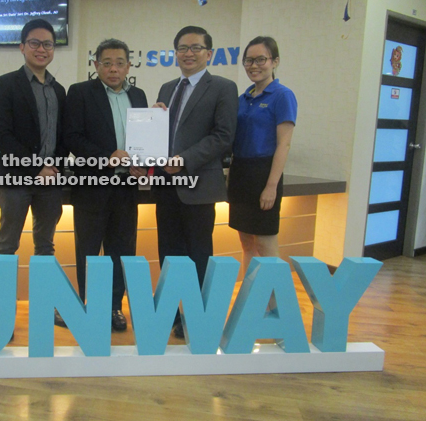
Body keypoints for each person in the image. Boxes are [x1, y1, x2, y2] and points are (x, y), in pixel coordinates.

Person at [153, 26, 238, 338]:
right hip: (165, 187)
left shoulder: (223, 88)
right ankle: (171, 314)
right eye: (182, 48)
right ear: (175, 53)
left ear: (209, 54)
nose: (188, 53)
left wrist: (184, 160)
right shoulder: (165, 88)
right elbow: (161, 136)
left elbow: (224, 137)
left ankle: (198, 318)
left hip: (199, 187)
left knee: (199, 254)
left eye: (196, 48)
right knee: (169, 253)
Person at [64, 38, 148, 331]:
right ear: (96, 65)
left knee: (122, 250)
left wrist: (144, 163)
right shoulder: (79, 93)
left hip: (127, 188)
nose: (114, 69)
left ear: (129, 65)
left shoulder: (138, 96)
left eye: (120, 63)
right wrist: (106, 158)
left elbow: (144, 139)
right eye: (107, 63)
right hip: (91, 186)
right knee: (87, 250)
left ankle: (113, 307)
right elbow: (71, 137)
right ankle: (90, 307)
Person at [0, 19, 67, 327]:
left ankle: (46, 309)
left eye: (47, 44)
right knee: (7, 245)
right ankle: (2, 315)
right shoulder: (5, 83)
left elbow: (63, 138)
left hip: (50, 182)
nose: (41, 49)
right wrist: (37, 167)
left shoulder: (59, 90)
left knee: (46, 245)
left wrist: (55, 168)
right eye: (34, 43)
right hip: (17, 178)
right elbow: (2, 134)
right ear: (22, 47)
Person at [228, 36, 297, 274]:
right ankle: (251, 304)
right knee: (247, 245)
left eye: (261, 59)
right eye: (248, 60)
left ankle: (275, 306)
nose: (254, 65)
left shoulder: (282, 95)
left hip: (264, 173)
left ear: (275, 61)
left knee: (265, 245)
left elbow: (284, 145)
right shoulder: (242, 98)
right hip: (240, 173)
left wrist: (271, 186)